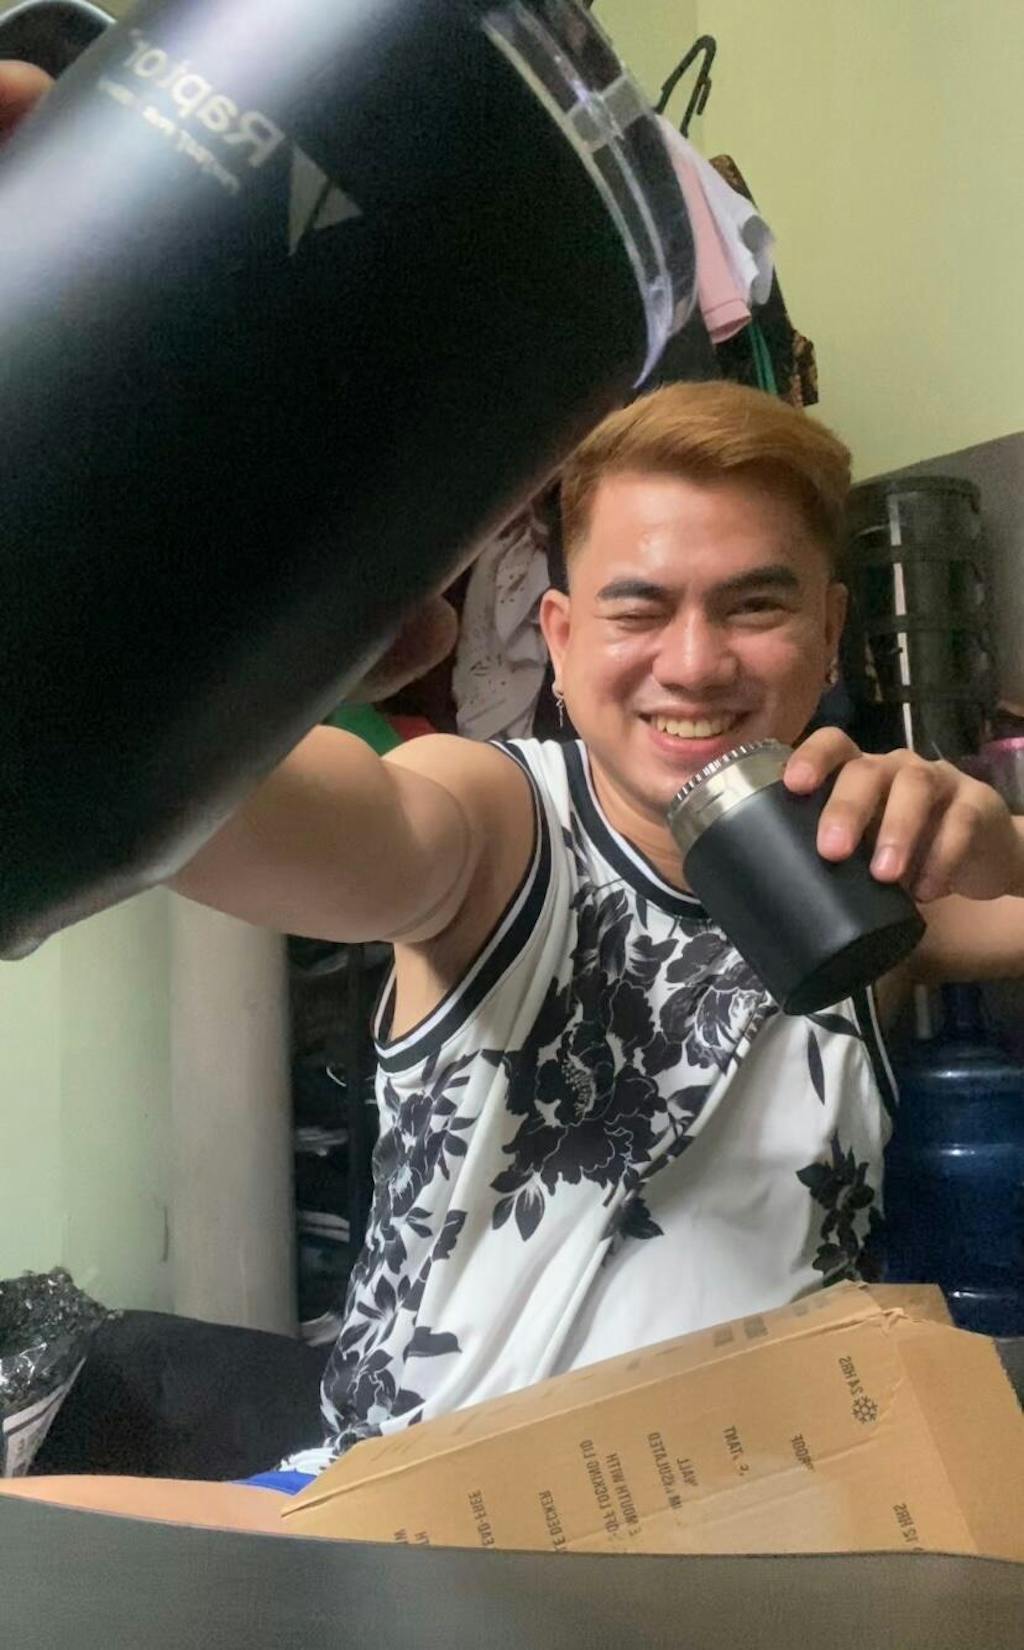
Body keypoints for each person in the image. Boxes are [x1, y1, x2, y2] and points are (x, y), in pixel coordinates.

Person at [2, 61, 1023, 1520]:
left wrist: (997, 842)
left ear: (829, 633)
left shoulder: (864, 874)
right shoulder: (493, 823)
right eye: (637, 608)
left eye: (754, 605)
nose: (694, 662)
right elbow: (256, 819)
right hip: (430, 1543)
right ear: (556, 636)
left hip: (778, 1534)